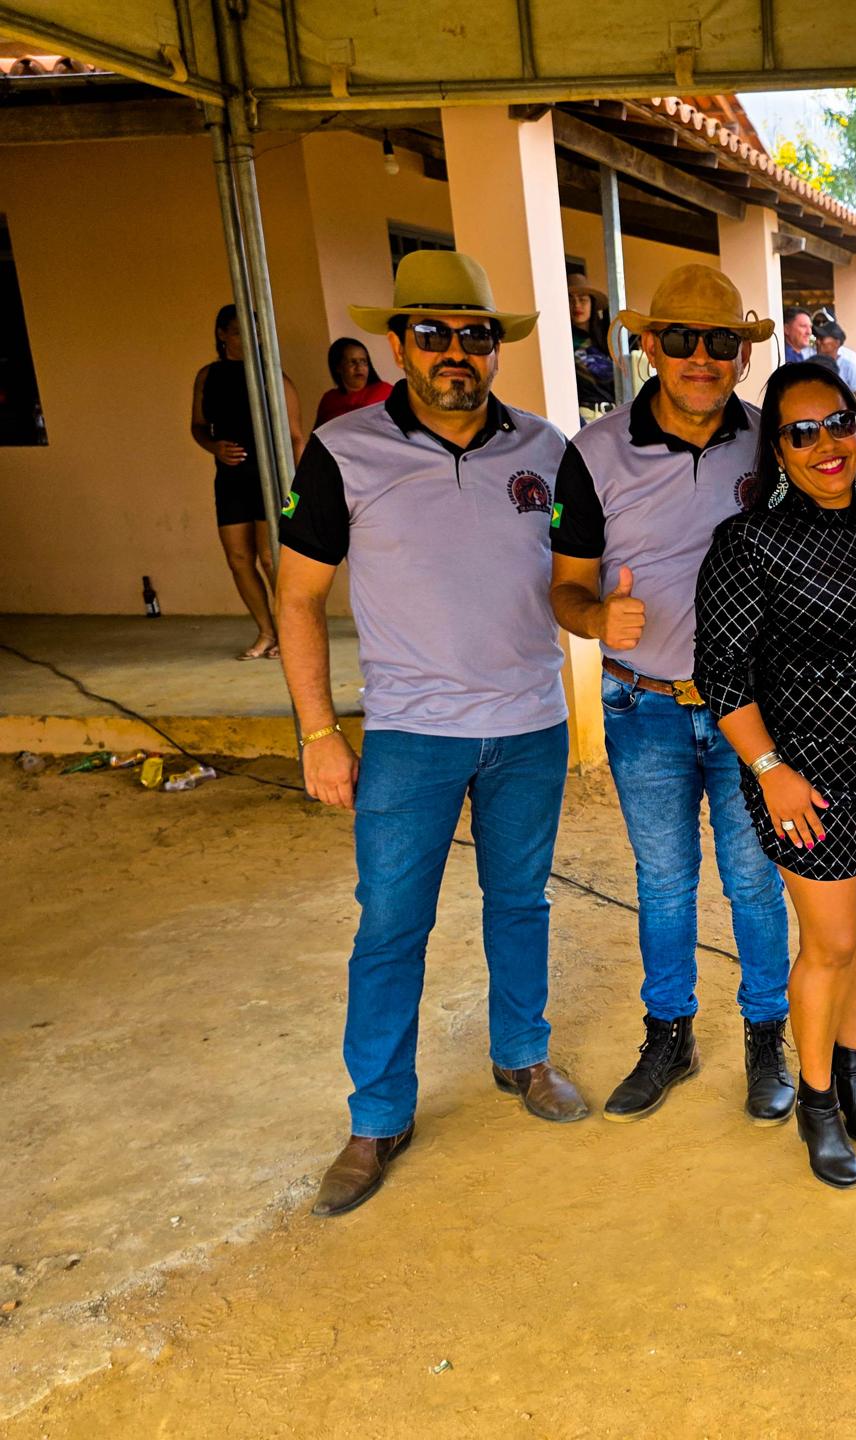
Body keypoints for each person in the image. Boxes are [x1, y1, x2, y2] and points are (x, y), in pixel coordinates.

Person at [277, 250, 591, 1219]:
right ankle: (377, 1117)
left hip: (530, 725)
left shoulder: (547, 450)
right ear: (398, 343)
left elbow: (581, 570)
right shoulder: (344, 451)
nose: (456, 351)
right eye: (433, 333)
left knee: (520, 902)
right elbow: (297, 596)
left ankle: (522, 1056)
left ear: (496, 347)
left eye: (475, 335)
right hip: (411, 737)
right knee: (390, 926)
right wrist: (318, 731)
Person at [549, 265, 800, 1128]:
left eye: (720, 341)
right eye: (682, 339)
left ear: (742, 354)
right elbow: (564, 586)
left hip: (750, 709)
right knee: (663, 882)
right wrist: (595, 617)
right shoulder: (593, 453)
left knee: (754, 881)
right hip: (643, 706)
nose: (701, 357)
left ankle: (767, 1037)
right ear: (650, 345)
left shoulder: (771, 444)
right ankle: (670, 1037)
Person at [695, 363, 856, 1188]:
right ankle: (818, 1100)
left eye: (837, 424)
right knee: (829, 943)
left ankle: (855, 1072)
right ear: (778, 449)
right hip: (806, 783)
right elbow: (721, 676)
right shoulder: (748, 544)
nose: (825, 445)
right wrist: (771, 773)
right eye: (801, 433)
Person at [190, 304, 306, 660]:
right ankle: (267, 631)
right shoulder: (207, 376)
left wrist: (299, 493)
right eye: (240, 332)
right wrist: (214, 447)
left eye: (254, 332)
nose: (248, 339)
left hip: (273, 480)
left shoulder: (273, 376)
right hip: (230, 479)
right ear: (222, 335)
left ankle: (291, 633)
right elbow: (198, 426)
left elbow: (297, 437)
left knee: (272, 558)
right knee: (239, 558)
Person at [313, 337, 392, 427]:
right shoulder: (329, 400)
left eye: (363, 361)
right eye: (352, 362)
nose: (359, 367)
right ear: (338, 367)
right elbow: (318, 433)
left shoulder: (385, 391)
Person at [569, 274, 616, 419]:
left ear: (592, 303)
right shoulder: (564, 341)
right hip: (585, 415)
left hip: (614, 413)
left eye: (582, 299)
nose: (577, 305)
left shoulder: (607, 337)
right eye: (571, 300)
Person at [811, 317, 856, 413]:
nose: (817, 342)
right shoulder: (811, 364)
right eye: (817, 338)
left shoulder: (849, 367)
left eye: (822, 338)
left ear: (836, 343)